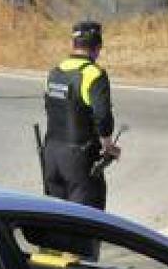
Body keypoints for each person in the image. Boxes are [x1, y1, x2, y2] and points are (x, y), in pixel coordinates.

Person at [42, 21, 120, 209]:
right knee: (86, 225)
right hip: (79, 159)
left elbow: (50, 109)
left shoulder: (54, 72)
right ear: (98, 47)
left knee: (56, 222)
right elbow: (102, 116)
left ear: (73, 44)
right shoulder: (93, 74)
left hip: (51, 156)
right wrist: (108, 146)